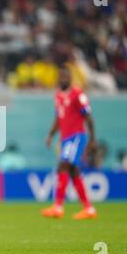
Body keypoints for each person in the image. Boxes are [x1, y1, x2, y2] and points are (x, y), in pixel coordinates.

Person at [41, 66, 97, 220]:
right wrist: (50, 135)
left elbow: (88, 117)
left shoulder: (78, 94)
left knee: (63, 165)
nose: (64, 78)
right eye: (61, 76)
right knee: (73, 171)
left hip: (77, 136)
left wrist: (92, 139)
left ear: (71, 78)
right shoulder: (58, 96)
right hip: (65, 139)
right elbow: (58, 119)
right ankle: (89, 209)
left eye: (66, 76)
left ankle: (58, 207)